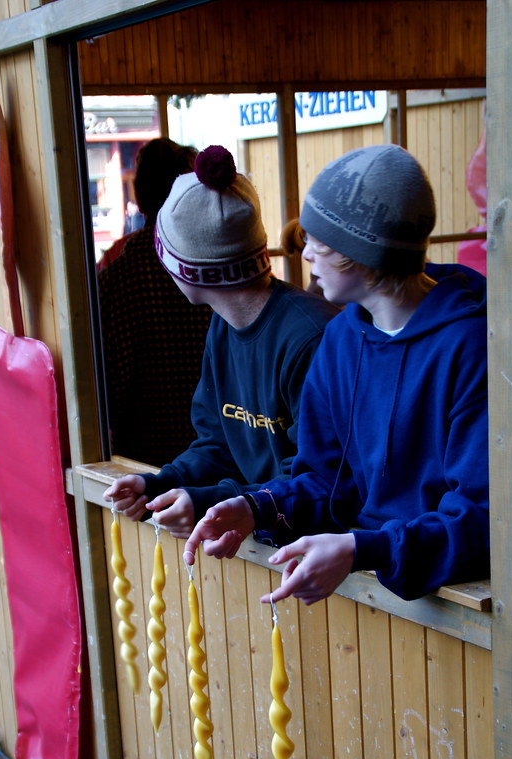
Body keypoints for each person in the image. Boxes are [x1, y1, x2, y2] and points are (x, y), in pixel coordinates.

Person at [184, 144, 489, 603]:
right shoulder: (342, 338)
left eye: (318, 244)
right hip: (371, 596)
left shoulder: (470, 346)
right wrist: (258, 507)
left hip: (457, 610)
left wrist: (362, 547)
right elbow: (327, 479)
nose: (304, 254)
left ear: (362, 255)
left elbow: (481, 517)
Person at [104, 144, 338, 537]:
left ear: (189, 271)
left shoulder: (311, 339)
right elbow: (218, 443)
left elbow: (318, 482)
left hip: (318, 562)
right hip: (274, 549)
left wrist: (206, 501)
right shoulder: (223, 326)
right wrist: (161, 482)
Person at [96, 138, 214, 465]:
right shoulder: (215, 270)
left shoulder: (112, 281)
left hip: (136, 466)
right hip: (216, 457)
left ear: (139, 196)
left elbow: (102, 395)